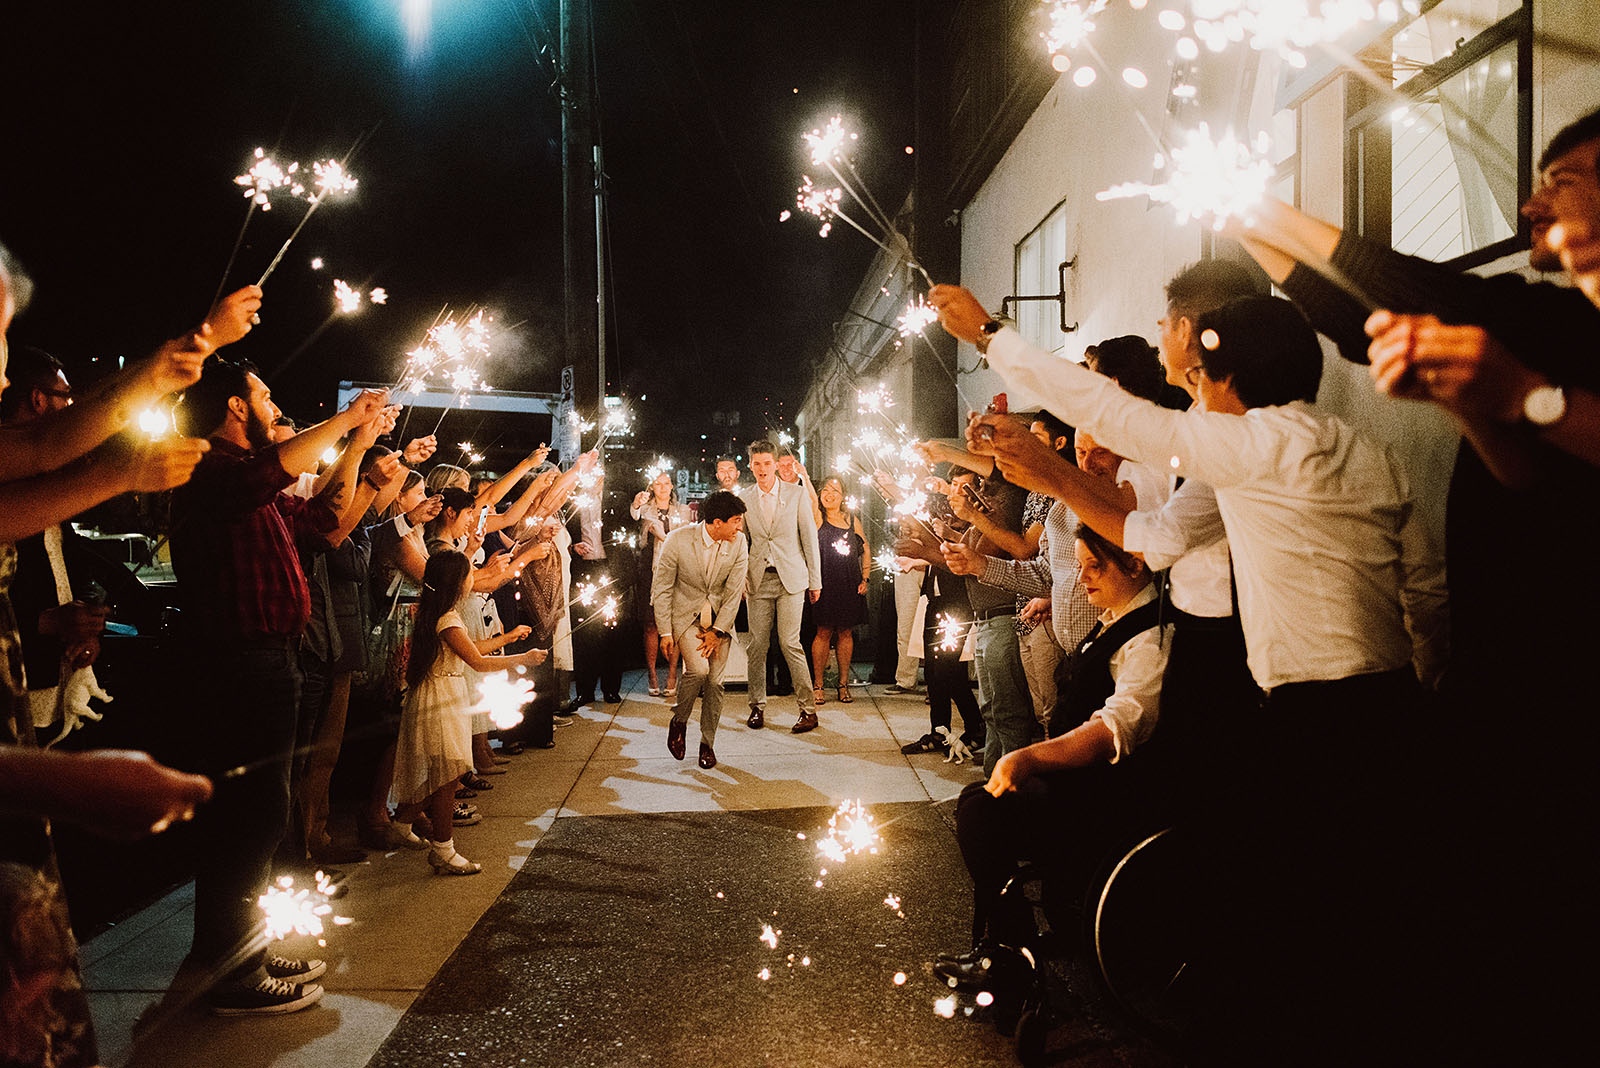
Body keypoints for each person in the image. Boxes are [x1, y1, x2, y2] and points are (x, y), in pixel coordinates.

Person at [170, 358, 388, 1016]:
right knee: (249, 818)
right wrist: (346, 418)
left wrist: (358, 445)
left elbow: (324, 519)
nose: (272, 406)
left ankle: (237, 953)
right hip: (239, 665)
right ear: (236, 407)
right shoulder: (209, 468)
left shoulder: (256, 489)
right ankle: (230, 970)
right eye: (263, 397)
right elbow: (268, 473)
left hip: (270, 663)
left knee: (258, 816)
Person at [934, 523, 1170, 985]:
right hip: (1083, 785)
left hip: (1110, 797)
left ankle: (1011, 962)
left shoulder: (1149, 637)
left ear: (1136, 563)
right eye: (1079, 566)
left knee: (983, 814)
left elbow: (1116, 727)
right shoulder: (1112, 622)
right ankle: (1007, 946)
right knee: (975, 801)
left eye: (1093, 566)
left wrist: (1032, 758)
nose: (1081, 579)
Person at [390, 551, 544, 875]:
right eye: (468, 574)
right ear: (456, 583)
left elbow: (472, 649)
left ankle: (403, 822)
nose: (473, 578)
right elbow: (477, 661)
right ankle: (443, 849)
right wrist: (523, 659)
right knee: (448, 774)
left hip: (445, 692)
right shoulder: (446, 618)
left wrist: (509, 638)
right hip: (441, 697)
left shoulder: (442, 614)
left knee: (445, 771)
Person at [651, 490, 749, 770]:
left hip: (719, 621)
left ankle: (707, 744)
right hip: (687, 618)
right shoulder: (678, 540)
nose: (739, 527)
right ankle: (679, 721)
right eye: (735, 521)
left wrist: (718, 632)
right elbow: (663, 588)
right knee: (698, 671)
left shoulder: (739, 542)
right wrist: (666, 632)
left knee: (717, 683)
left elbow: (733, 593)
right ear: (716, 522)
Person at [738, 440, 822, 732]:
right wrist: (739, 579)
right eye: (757, 464)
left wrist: (815, 580)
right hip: (758, 578)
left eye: (766, 463)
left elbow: (809, 538)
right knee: (757, 646)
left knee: (790, 642)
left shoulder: (796, 494)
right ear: (750, 465)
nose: (762, 469)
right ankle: (756, 707)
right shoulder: (744, 497)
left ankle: (808, 710)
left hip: (792, 577)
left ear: (776, 464)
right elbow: (740, 542)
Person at [809, 477, 869, 705]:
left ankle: (843, 686)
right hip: (824, 583)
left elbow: (865, 548)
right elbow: (812, 499)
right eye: (825, 489)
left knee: (846, 632)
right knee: (823, 632)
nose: (829, 494)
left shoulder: (852, 520)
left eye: (835, 490)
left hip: (849, 582)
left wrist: (865, 577)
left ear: (843, 496)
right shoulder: (817, 517)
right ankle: (818, 685)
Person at [631, 470, 689, 697]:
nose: (663, 487)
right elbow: (635, 515)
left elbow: (684, 541)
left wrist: (664, 536)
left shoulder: (682, 512)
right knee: (651, 624)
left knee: (673, 626)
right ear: (652, 487)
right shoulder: (646, 509)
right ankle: (652, 674)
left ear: (672, 486)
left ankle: (672, 674)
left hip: (676, 572)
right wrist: (637, 502)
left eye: (666, 483)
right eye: (658, 483)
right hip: (650, 571)